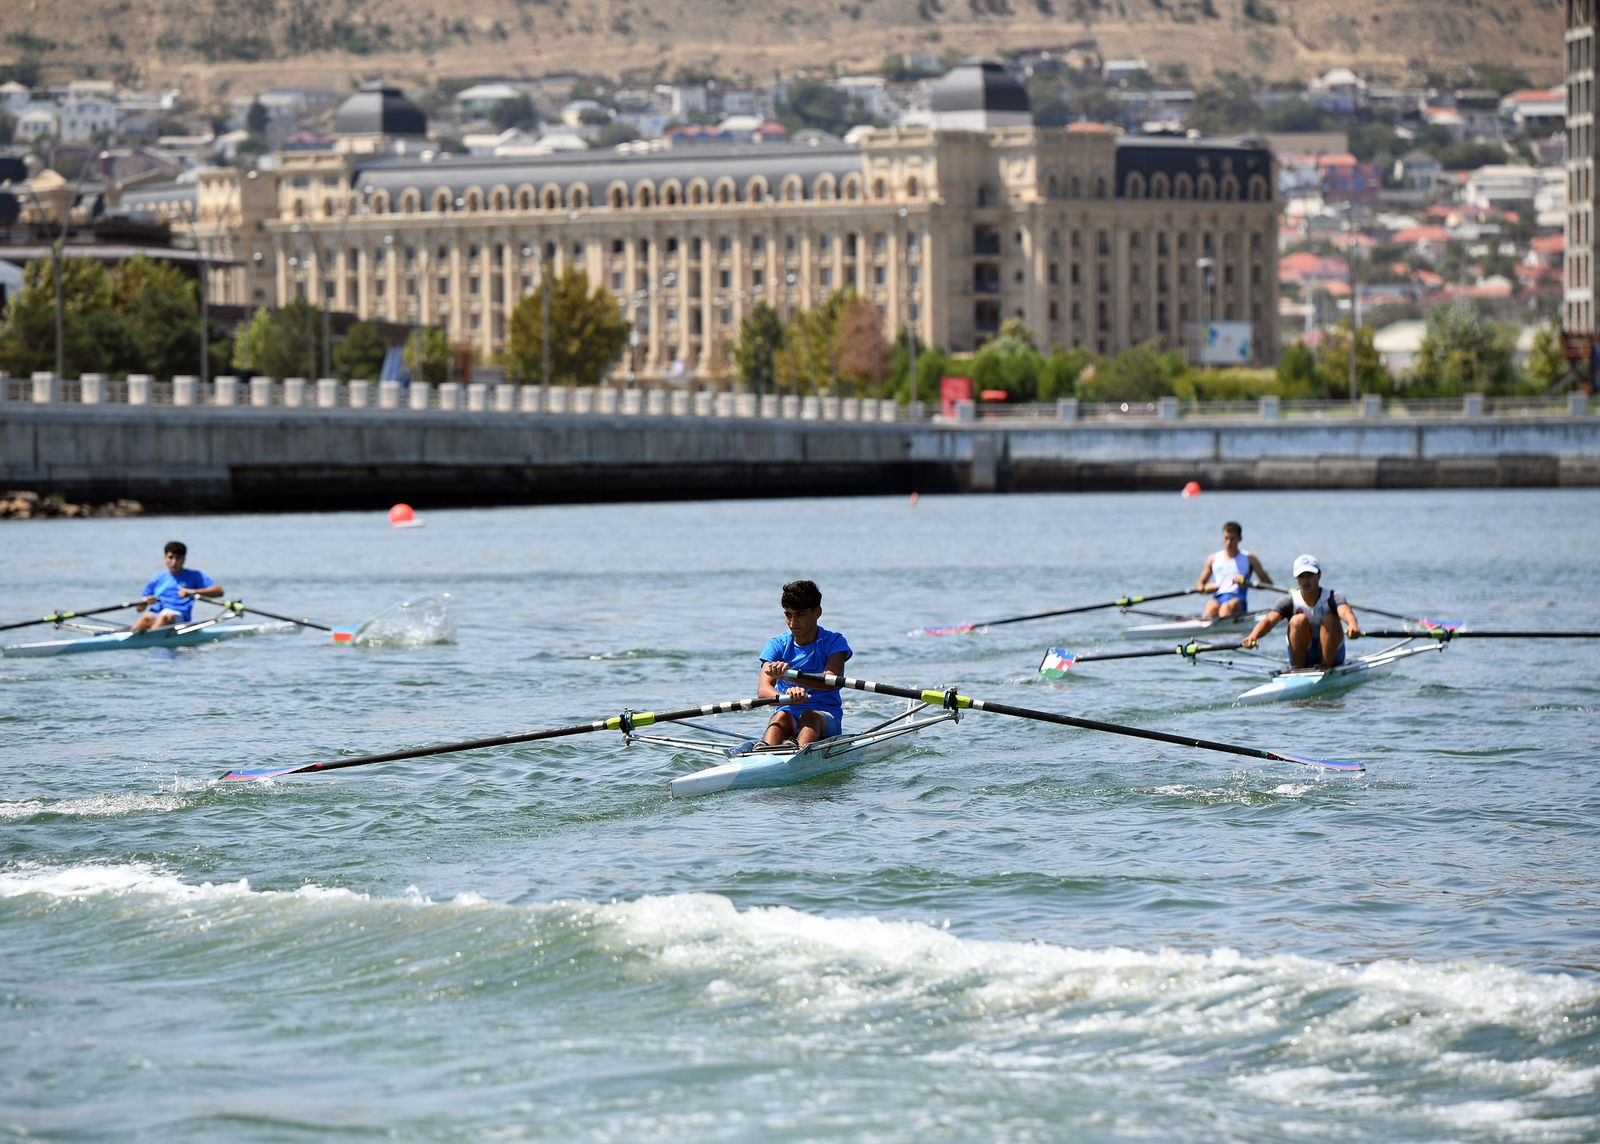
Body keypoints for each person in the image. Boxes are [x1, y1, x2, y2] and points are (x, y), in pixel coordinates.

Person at [757, 579, 852, 747]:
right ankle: (763, 754)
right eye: (788, 615)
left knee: (809, 716)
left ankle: (796, 755)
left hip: (824, 718)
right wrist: (786, 698)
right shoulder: (776, 645)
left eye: (800, 615)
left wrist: (791, 677)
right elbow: (764, 693)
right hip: (787, 714)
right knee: (780, 717)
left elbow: (831, 682)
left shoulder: (834, 642)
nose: (793, 623)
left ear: (817, 612)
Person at [1241, 554, 1361, 668]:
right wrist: (1253, 636)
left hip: (1333, 655)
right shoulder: (1288, 601)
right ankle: (1299, 669)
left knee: (1329, 618)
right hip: (1301, 655)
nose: (1305, 580)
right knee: (1298, 620)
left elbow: (1346, 612)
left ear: (1319, 575)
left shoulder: (1333, 597)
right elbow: (1269, 620)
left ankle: (1326, 667)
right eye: (1301, 576)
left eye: (1309, 575)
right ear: (1296, 579)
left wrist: (1352, 625)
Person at [131, 541, 224, 631]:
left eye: (178, 558)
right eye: (171, 557)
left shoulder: (195, 576)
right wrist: (145, 602)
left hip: (178, 617)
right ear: (165, 558)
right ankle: (129, 639)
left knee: (166, 617)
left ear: (184, 559)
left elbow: (219, 591)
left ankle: (151, 642)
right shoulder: (158, 579)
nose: (174, 562)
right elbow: (139, 609)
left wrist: (192, 592)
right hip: (156, 614)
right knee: (145, 619)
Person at [1195, 521, 1273, 618]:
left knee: (1226, 608)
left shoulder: (1250, 559)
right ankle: (1202, 629)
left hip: (1237, 599)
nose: (1228, 543)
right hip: (1218, 597)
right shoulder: (1213, 558)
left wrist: (1247, 583)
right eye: (1226, 538)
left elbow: (1268, 583)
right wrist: (1206, 589)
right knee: (1211, 606)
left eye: (1232, 539)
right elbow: (1199, 585)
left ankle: (1223, 629)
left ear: (1240, 539)